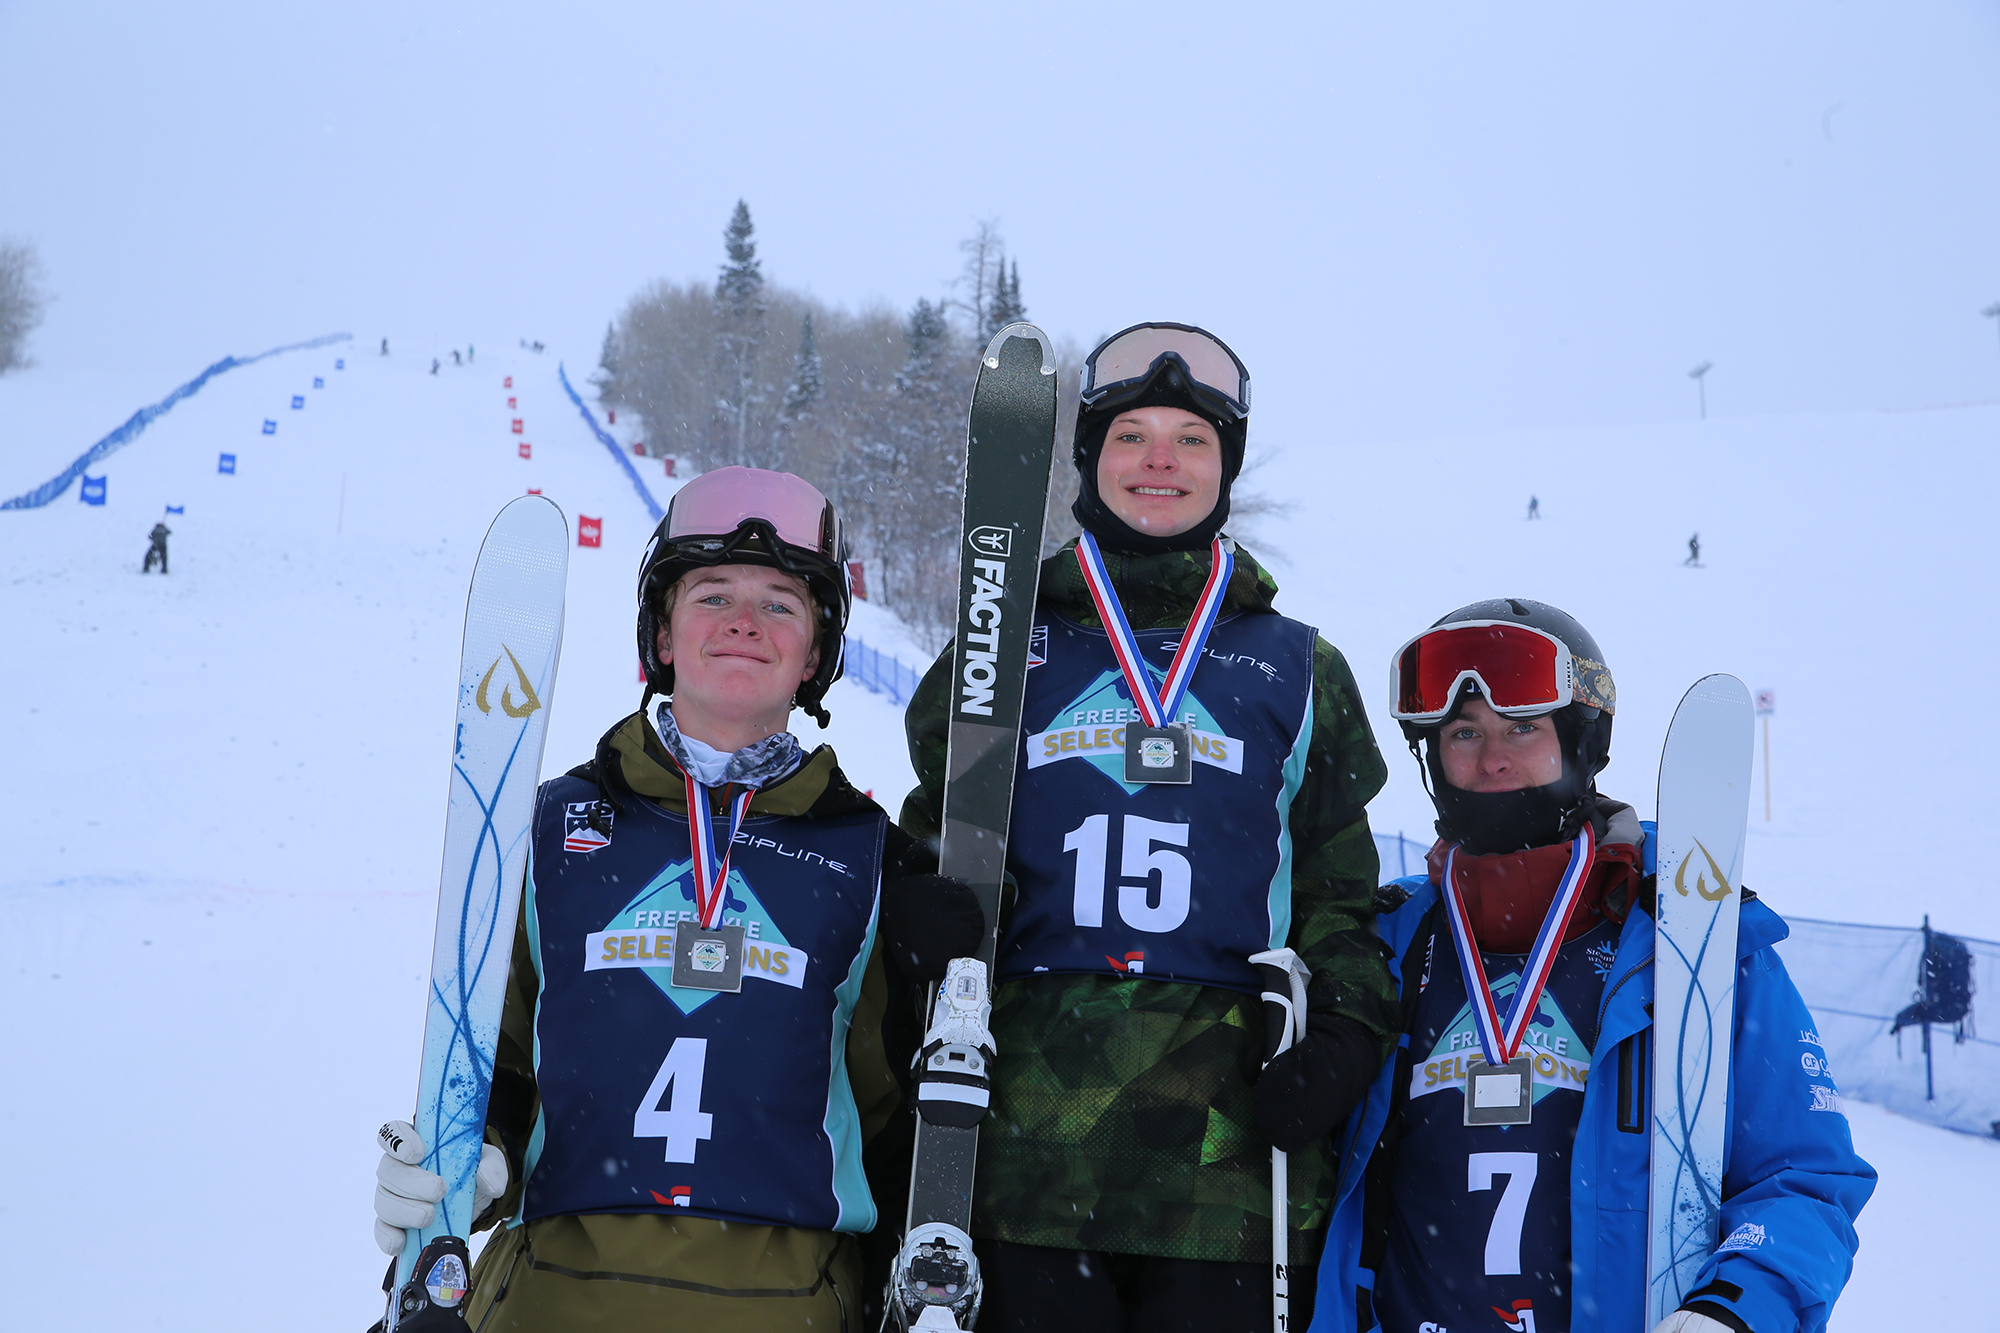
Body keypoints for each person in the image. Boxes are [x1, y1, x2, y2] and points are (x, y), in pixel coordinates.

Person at [370, 467, 982, 1330]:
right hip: (555, 1290)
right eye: (712, 594)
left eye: (781, 603)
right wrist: (472, 1167)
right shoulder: (545, 828)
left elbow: (889, 1122)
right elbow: (491, 1060)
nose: (744, 620)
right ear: (661, 635)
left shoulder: (868, 857)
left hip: (784, 1296)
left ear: (815, 654)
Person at [902, 323, 1400, 1331]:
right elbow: (935, 838)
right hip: (1021, 1150)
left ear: (1226, 470)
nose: (1160, 461)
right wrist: (913, 904)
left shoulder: (1297, 670)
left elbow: (1338, 895)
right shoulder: (1009, 646)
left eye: (1191, 439)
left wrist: (1343, 1028)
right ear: (1088, 459)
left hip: (1229, 1164)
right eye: (1131, 435)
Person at [1307, 598, 1874, 1333]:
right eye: (1463, 733)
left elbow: (1804, 1179)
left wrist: (1735, 1307)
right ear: (1431, 756)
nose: (1492, 759)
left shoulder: (1692, 941)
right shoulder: (1385, 941)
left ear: (1583, 742)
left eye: (1522, 729)